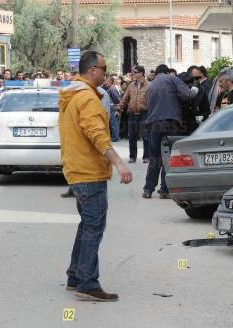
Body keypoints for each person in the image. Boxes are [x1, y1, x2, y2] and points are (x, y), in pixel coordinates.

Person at [59, 50, 133, 302]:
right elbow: (97, 135)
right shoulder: (87, 99)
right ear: (92, 70)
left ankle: (75, 275)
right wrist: (120, 163)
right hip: (89, 172)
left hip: (77, 170)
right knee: (94, 227)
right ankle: (87, 283)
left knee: (86, 224)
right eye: (103, 68)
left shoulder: (74, 94)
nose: (106, 72)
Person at [142, 64, 197, 199]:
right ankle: (164, 190)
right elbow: (187, 95)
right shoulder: (171, 78)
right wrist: (195, 89)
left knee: (155, 158)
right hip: (170, 123)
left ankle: (148, 189)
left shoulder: (151, 85)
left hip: (154, 125)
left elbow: (147, 105)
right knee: (168, 157)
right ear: (167, 72)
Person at [118, 65, 149, 163]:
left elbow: (153, 100)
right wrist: (119, 108)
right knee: (132, 137)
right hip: (132, 114)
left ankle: (146, 157)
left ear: (141, 73)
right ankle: (132, 157)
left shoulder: (149, 85)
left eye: (135, 72)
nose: (133, 74)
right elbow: (125, 98)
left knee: (146, 136)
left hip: (144, 114)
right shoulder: (131, 85)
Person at [104, 75, 121, 142]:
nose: (105, 83)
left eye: (106, 81)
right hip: (110, 109)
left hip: (113, 109)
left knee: (114, 124)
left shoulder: (112, 89)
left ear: (111, 81)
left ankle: (115, 138)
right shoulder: (108, 88)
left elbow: (117, 100)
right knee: (112, 124)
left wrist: (117, 109)